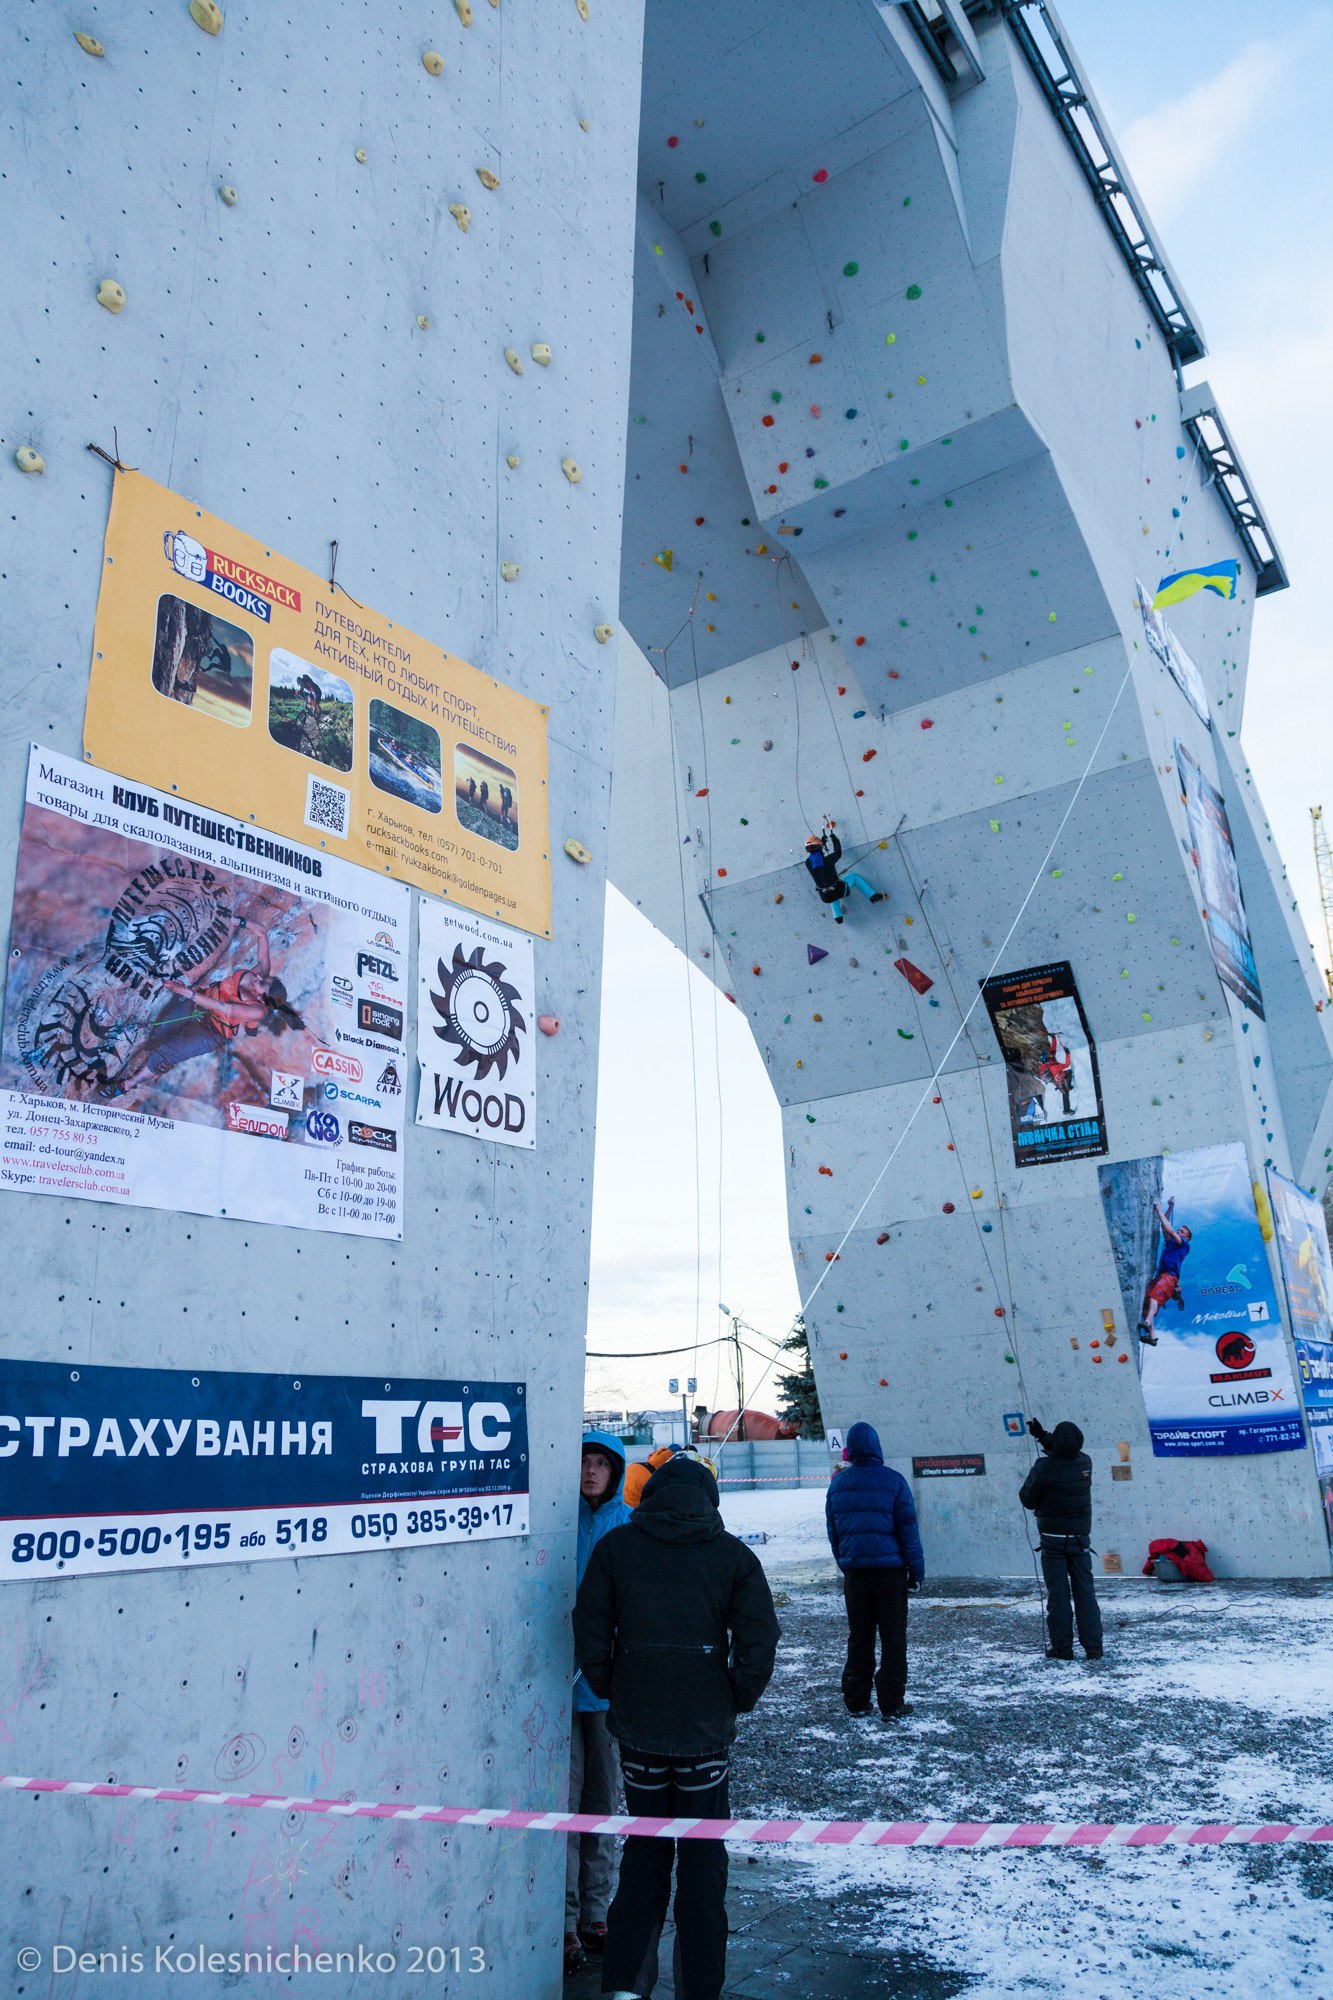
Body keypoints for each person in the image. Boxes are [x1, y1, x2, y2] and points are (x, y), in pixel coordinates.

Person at [573, 1455, 779, 2000]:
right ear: (709, 1500)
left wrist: (612, 1685)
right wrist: (733, 1698)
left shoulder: (616, 1548)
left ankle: (625, 1985)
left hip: (638, 1730)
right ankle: (700, 1988)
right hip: (704, 1736)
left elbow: (589, 1624)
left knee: (643, 1857)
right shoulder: (734, 1556)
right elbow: (759, 1641)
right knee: (704, 1865)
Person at [567, 1431, 632, 1978]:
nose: (590, 1472)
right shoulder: (557, 1521)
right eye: (583, 1462)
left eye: (598, 1464)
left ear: (614, 1471)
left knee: (602, 1801)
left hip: (606, 1687)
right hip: (556, 1682)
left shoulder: (627, 1524)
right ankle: (563, 1922)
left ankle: (594, 1913)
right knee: (562, 1804)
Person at [824, 1421, 924, 1718]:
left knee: (860, 1636)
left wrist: (845, 1561)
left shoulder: (838, 1484)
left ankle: (856, 1700)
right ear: (877, 1448)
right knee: (893, 1638)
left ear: (850, 1451)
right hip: (890, 1574)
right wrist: (916, 1571)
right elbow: (908, 1531)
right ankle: (891, 1704)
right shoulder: (894, 1481)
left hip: (856, 1574)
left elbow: (834, 1532)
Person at [1020, 1419, 1103, 1661]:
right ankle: (1093, 1647)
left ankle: (1062, 1648)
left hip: (1053, 1540)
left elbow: (1028, 1500)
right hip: (1080, 1539)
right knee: (1085, 1593)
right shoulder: (1085, 1462)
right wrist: (1043, 1436)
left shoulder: (1043, 1468)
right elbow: (1066, 1451)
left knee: (1058, 1595)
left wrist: (1044, 1447)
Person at [803, 826, 884, 924]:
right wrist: (835, 840)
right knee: (853, 877)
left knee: (829, 889)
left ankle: (838, 917)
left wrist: (822, 843)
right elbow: (838, 853)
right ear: (819, 847)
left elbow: (816, 855)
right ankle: (872, 896)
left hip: (825, 897)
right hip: (840, 891)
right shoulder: (829, 860)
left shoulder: (808, 863)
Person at [1138, 1199, 1191, 1344]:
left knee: (1155, 1296)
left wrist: (1159, 1211)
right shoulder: (1172, 1243)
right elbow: (1164, 1226)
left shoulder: (1184, 1245)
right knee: (1146, 1303)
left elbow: (1171, 1230)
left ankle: (1148, 1322)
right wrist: (1170, 1208)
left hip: (1170, 1277)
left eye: (1182, 1232)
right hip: (1162, 1275)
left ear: (1187, 1238)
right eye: (1179, 1230)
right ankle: (1152, 1336)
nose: (1179, 1232)